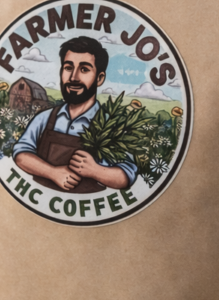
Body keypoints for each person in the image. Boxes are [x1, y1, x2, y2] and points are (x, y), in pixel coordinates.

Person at [13, 36, 137, 192]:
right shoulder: (45, 118)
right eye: (68, 68)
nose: (73, 77)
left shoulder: (110, 125)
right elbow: (21, 154)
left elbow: (127, 174)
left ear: (99, 79)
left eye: (84, 69)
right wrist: (52, 172)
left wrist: (95, 171)